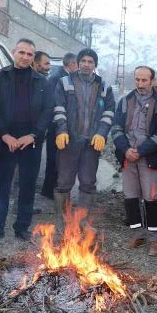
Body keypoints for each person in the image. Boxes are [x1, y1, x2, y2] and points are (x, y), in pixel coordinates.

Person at [0, 38, 54, 244]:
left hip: (31, 141)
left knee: (27, 186)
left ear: (33, 58)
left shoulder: (42, 81)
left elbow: (48, 110)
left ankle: (22, 227)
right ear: (14, 52)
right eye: (21, 52)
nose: (25, 57)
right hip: (5, 140)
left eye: (30, 54)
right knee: (1, 187)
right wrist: (4, 135)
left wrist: (33, 135)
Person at [110, 65, 157, 256]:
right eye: (137, 79)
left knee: (151, 198)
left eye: (144, 80)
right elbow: (116, 128)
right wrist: (126, 149)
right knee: (130, 197)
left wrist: (141, 151)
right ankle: (137, 234)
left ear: (152, 81)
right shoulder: (125, 101)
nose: (140, 84)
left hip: (149, 159)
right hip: (128, 157)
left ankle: (154, 240)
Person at [52, 48, 115, 227]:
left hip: (91, 143)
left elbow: (109, 111)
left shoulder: (104, 86)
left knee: (88, 183)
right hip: (69, 141)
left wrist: (101, 133)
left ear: (95, 64)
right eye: (83, 61)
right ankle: (63, 224)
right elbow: (58, 107)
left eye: (90, 61)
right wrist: (62, 130)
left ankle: (81, 223)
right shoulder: (65, 82)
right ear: (78, 63)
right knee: (64, 183)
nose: (86, 64)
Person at [41, 52, 78, 199]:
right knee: (54, 159)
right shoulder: (58, 78)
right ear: (72, 64)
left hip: (59, 123)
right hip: (55, 124)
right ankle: (50, 191)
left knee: (59, 159)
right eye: (77, 64)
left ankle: (52, 190)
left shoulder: (62, 76)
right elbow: (54, 102)